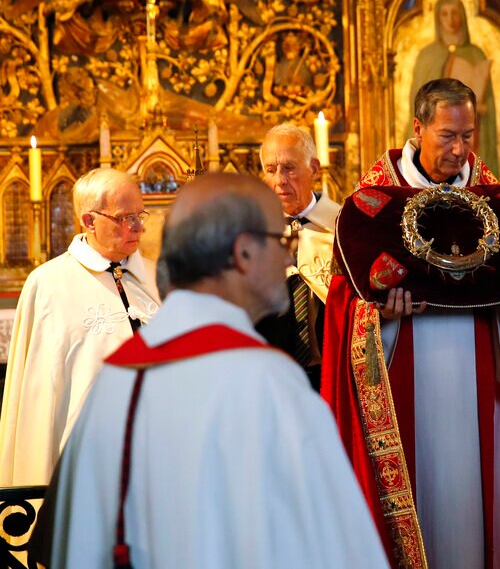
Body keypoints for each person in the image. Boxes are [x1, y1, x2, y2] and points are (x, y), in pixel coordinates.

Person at [32, 172, 388, 569]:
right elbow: (346, 551)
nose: (290, 258)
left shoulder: (114, 382)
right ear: (243, 253)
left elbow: (65, 549)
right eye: (283, 241)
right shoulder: (270, 385)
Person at [321, 78, 500, 568]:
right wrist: (381, 314)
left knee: (481, 502)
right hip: (408, 380)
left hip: (481, 383)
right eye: (447, 135)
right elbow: (351, 302)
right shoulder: (372, 205)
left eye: (468, 135)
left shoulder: (496, 203)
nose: (459, 149)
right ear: (418, 128)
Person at [0, 168, 160, 486]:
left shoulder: (160, 278)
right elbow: (37, 397)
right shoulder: (49, 285)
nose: (139, 227)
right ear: (89, 221)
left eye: (140, 214)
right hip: (88, 467)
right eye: (125, 218)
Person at [256, 123, 340, 390]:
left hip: (331, 375)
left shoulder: (342, 226)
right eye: (271, 169)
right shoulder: (250, 233)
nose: (279, 180)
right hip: (272, 379)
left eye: (289, 168)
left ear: (313, 168)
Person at [409, 0, 498, 166]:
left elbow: (490, 107)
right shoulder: (427, 57)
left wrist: (480, 108)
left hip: (473, 145)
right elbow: (417, 105)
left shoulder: (476, 54)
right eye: (445, 14)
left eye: (455, 13)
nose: (450, 20)